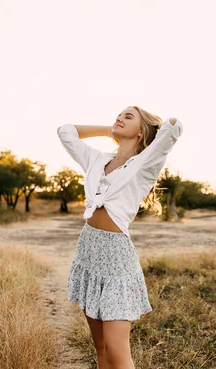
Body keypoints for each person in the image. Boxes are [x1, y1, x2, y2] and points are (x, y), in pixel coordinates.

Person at [57, 106, 183, 369]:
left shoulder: (146, 163)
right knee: (101, 348)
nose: (120, 118)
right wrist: (108, 131)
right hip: (89, 253)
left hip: (117, 262)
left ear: (142, 131)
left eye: (129, 116)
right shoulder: (97, 159)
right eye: (119, 114)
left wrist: (156, 129)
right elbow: (65, 132)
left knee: (117, 350)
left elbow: (173, 127)